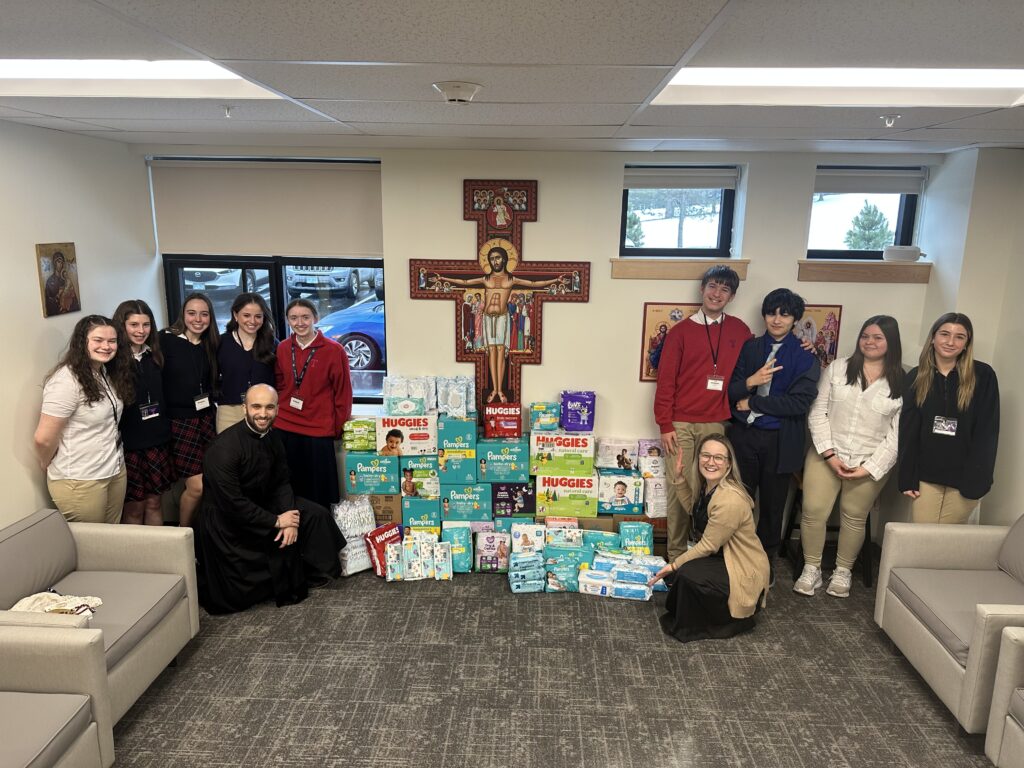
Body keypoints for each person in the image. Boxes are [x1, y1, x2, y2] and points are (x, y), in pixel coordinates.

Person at [195, 384, 345, 614]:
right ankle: (287, 574)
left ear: (277, 409)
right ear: (245, 408)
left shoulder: (273, 438)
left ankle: (307, 568)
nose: (263, 414)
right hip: (227, 519)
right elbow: (233, 504)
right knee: (236, 591)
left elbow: (282, 481)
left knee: (316, 514)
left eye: (269, 407)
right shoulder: (223, 449)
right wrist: (277, 521)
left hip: (262, 501)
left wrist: (290, 518)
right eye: (256, 407)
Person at [794, 316, 903, 598]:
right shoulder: (839, 368)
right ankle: (812, 568)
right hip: (826, 453)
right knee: (813, 511)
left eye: (878, 337)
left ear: (891, 342)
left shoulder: (903, 380)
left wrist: (870, 468)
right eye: (865, 336)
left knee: (854, 516)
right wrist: (829, 454)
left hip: (870, 460)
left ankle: (843, 571)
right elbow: (818, 413)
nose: (870, 342)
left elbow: (898, 434)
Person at [653, 266, 752, 562]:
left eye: (724, 289)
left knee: (714, 491)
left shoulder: (740, 330)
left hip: (717, 423)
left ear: (731, 296)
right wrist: (665, 424)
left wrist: (806, 346)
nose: (716, 293)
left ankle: (704, 555)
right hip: (680, 423)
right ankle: (675, 559)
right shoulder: (680, 332)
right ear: (702, 289)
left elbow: (762, 357)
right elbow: (666, 380)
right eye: (712, 286)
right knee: (679, 487)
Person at [728, 288, 819, 581]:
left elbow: (799, 403)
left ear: (795, 319)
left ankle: (763, 567)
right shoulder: (750, 348)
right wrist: (751, 383)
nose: (776, 319)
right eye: (771, 313)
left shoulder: (804, 355)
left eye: (784, 314)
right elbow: (731, 391)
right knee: (737, 500)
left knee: (772, 506)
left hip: (780, 440)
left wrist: (754, 401)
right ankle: (732, 558)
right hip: (744, 435)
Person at [649, 434, 769, 643]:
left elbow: (708, 545)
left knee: (686, 574)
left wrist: (673, 565)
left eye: (718, 457)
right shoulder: (709, 487)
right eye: (706, 455)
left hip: (740, 565)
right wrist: (679, 479)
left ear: (729, 464)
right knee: (683, 572)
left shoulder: (730, 499)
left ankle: (725, 620)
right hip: (720, 556)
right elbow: (694, 510)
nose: (710, 462)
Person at [898, 313, 1000, 524]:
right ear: (933, 337)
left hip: (965, 478)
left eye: (959, 337)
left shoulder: (983, 376)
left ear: (966, 343)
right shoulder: (916, 377)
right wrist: (907, 477)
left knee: (945, 542)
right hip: (926, 477)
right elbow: (908, 431)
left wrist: (979, 480)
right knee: (922, 538)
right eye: (944, 334)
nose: (950, 342)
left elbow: (987, 432)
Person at [433, 244, 566, 403]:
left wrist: (556, 280)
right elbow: (464, 281)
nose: (494, 261)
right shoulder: (486, 278)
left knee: (501, 353)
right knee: (492, 353)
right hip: (488, 318)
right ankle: (494, 389)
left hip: (502, 318)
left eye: (497, 258)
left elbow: (533, 283)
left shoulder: (511, 279)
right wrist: (443, 278)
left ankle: (499, 390)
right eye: (491, 259)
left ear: (504, 259)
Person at [34, 315, 133, 523]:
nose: (106, 346)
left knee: (112, 539)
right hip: (81, 479)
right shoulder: (66, 381)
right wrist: (45, 462)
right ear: (82, 342)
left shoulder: (102, 371)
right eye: (98, 340)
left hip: (113, 469)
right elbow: (43, 438)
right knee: (91, 547)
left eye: (112, 341)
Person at [275, 298, 353, 509]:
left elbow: (343, 393)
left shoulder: (333, 350)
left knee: (318, 494)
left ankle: (319, 537)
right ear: (288, 320)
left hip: (318, 431)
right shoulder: (282, 348)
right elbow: (280, 384)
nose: (299, 322)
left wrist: (337, 428)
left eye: (305, 317)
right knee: (288, 490)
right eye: (294, 318)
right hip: (285, 427)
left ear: (315, 318)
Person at [113, 299, 177, 526]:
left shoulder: (155, 355)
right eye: (134, 325)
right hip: (130, 446)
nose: (141, 331)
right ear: (122, 326)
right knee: (133, 508)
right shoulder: (113, 361)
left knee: (154, 504)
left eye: (146, 325)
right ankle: (136, 559)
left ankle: (158, 558)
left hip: (158, 441)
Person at [161, 293, 219, 527]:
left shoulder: (211, 343)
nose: (198, 319)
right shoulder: (166, 340)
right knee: (197, 485)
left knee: (212, 480)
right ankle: (184, 533)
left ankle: (203, 531)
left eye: (204, 314)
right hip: (179, 423)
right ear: (182, 315)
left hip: (206, 419)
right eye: (191, 313)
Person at [217, 292, 277, 433]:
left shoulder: (272, 344)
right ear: (235, 315)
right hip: (229, 411)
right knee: (229, 453)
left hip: (263, 413)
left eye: (258, 316)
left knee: (261, 454)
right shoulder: (220, 343)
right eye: (246, 315)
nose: (252, 321)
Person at [44, 251, 80, 316]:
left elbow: (74, 300)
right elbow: (48, 301)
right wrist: (57, 297)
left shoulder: (66, 280)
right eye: (59, 262)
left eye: (62, 262)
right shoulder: (50, 281)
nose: (61, 264)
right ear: (54, 263)